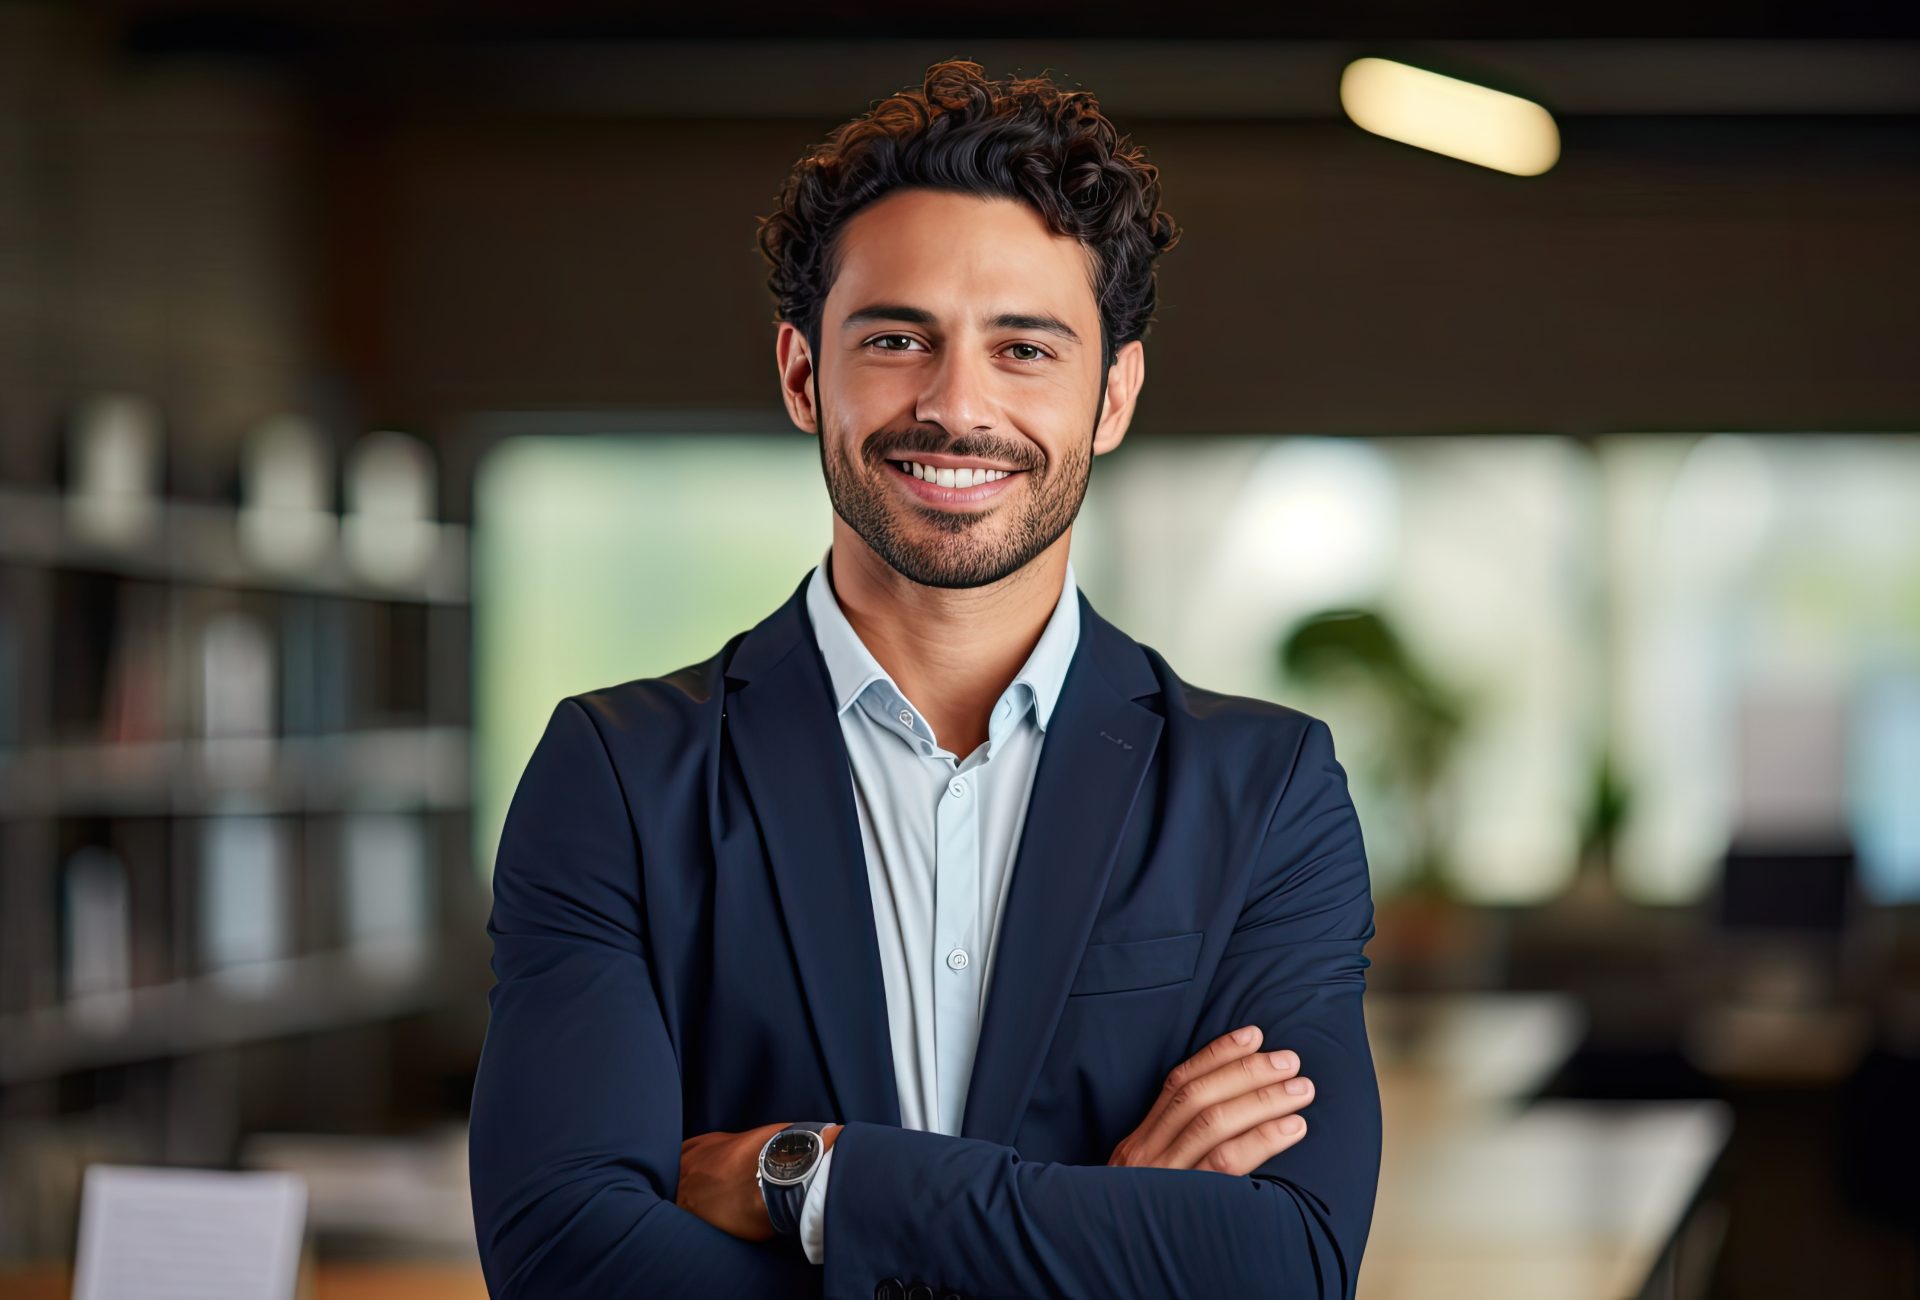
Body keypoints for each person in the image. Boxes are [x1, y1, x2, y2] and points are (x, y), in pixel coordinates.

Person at [468, 58, 1381, 1300]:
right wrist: (1107, 1230)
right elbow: (568, 1261)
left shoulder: (1264, 791)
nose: (957, 406)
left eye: (1025, 348)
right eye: (898, 338)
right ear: (803, 375)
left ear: (1112, 396)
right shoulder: (621, 775)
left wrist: (820, 1178)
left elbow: (1289, 1264)